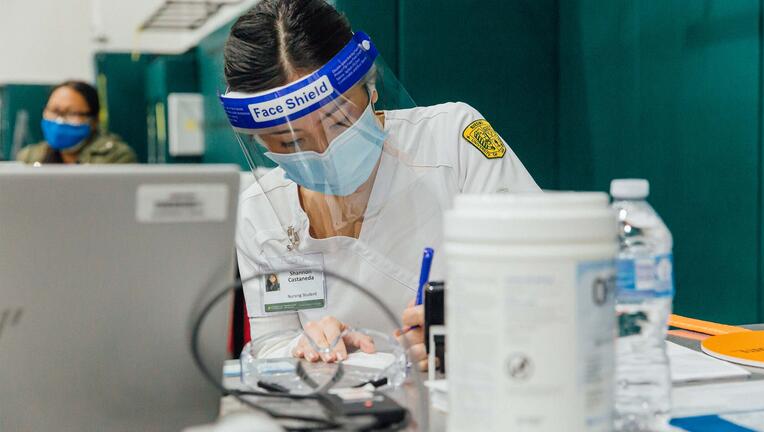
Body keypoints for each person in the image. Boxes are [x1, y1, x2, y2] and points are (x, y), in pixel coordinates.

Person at [222, 0, 539, 371]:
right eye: (291, 143)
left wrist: (474, 331)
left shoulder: (453, 143)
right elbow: (269, 347)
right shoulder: (260, 213)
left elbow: (547, 283)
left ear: (369, 86)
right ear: (260, 142)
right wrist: (303, 348)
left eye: (339, 121)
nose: (324, 151)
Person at [17, 80, 136, 164]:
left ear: (94, 120)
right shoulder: (29, 157)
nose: (60, 121)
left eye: (72, 113)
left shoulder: (116, 157)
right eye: (54, 111)